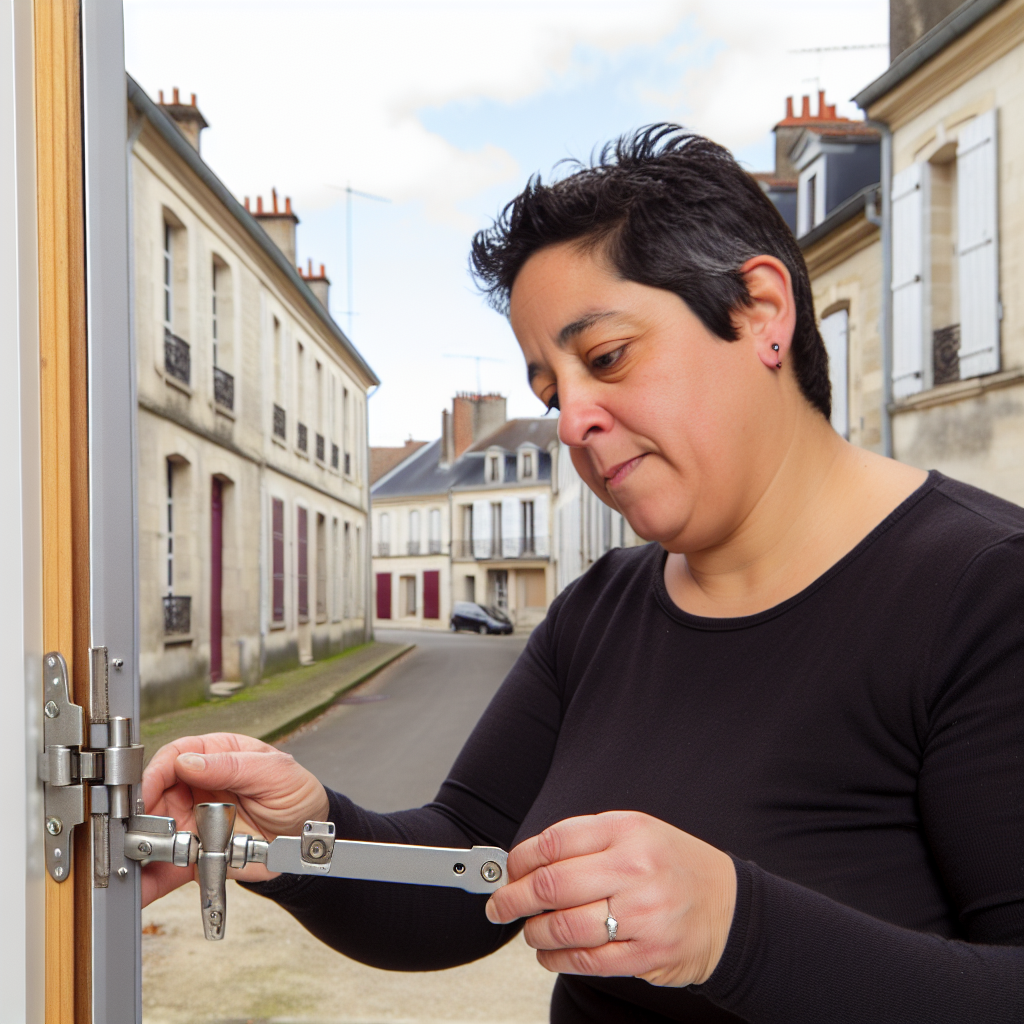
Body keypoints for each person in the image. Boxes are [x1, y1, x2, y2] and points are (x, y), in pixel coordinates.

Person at [143, 125, 1022, 1023]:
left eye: (605, 357)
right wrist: (305, 834)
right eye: (554, 392)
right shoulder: (600, 609)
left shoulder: (988, 593)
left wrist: (734, 927)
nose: (571, 424)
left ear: (761, 311)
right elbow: (466, 868)